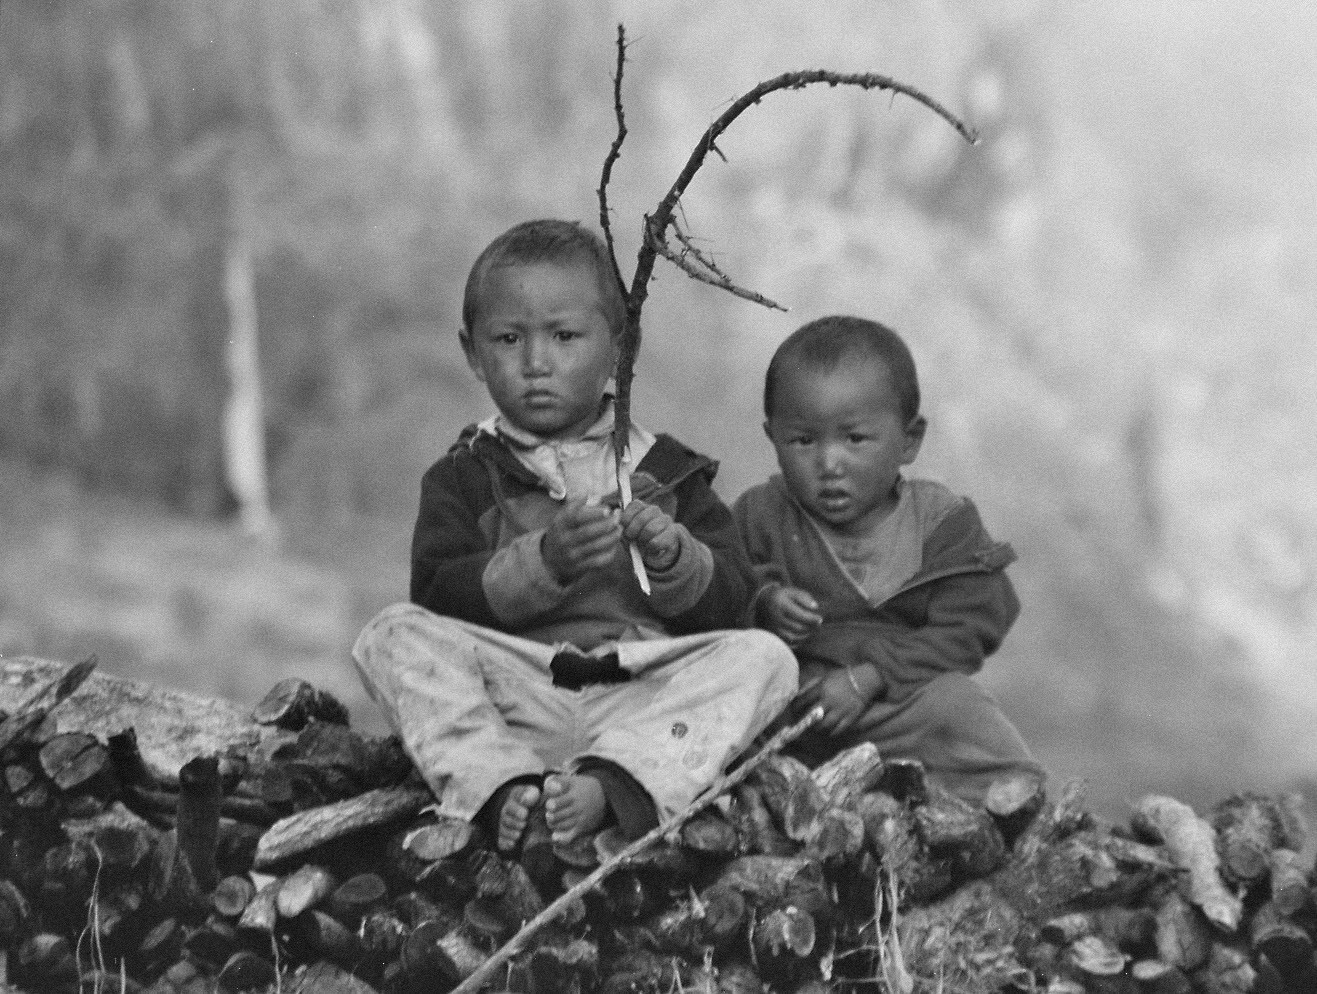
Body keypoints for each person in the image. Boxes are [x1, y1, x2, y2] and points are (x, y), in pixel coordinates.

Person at [352, 219, 797, 852]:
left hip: (639, 694)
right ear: (473, 354)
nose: (536, 364)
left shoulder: (665, 470)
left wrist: (673, 555)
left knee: (766, 658)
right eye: (508, 339)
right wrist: (544, 562)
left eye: (564, 336)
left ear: (620, 347)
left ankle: (614, 782)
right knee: (392, 636)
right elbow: (439, 597)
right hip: (519, 695)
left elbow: (734, 600)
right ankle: (502, 785)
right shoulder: (467, 475)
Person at [733, 315, 1043, 802]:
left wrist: (869, 678)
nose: (829, 464)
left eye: (854, 439)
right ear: (772, 437)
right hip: (796, 712)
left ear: (909, 440)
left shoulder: (941, 523)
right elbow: (715, 597)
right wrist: (764, 603)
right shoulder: (761, 515)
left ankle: (1008, 801)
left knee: (958, 706)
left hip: (900, 706)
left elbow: (969, 629)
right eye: (803, 441)